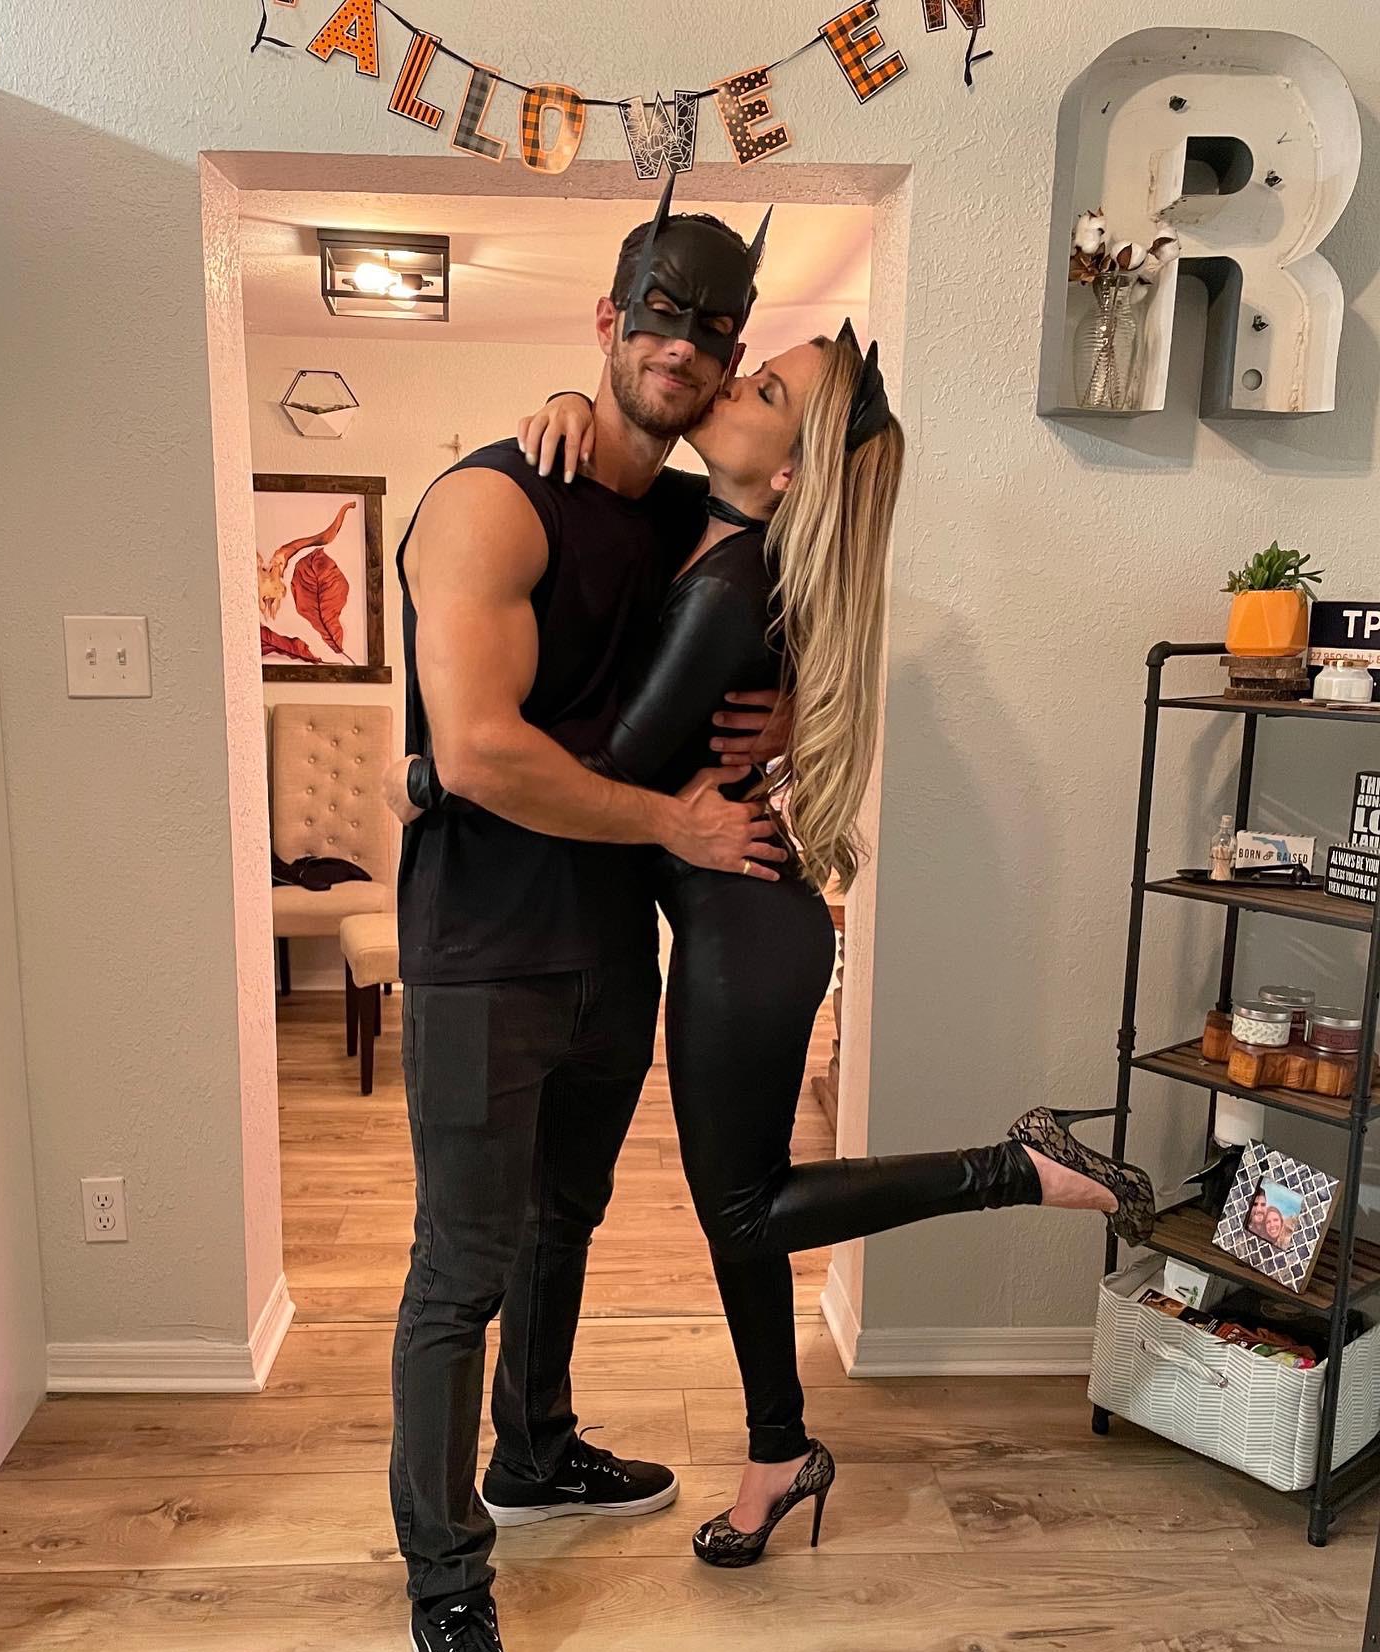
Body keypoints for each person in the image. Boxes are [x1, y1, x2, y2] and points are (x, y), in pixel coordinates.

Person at [401, 325, 1157, 1575]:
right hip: (737, 919)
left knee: (744, 1207)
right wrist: (568, 400)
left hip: (740, 929)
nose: (725, 384)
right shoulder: (699, 537)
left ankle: (1014, 1167)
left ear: (791, 470)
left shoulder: (724, 583)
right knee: (739, 1211)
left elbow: (614, 762)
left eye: (761, 390)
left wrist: (436, 772)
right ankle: (776, 1452)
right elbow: (624, 512)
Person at [386, 178, 793, 1652]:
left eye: (715, 329)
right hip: (482, 948)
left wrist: (786, 720)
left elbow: (768, 621)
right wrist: (674, 820)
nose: (684, 346)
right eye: (660, 314)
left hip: (615, 944)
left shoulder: (699, 523)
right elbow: (481, 751)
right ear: (610, 320)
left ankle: (537, 1447)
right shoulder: (491, 502)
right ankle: (448, 1588)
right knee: (459, 1268)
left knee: (566, 1220)